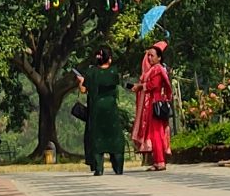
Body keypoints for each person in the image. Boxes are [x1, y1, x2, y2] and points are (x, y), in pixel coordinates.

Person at [73, 48, 126, 176]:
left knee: (97, 137)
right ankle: (118, 167)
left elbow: (84, 90)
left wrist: (80, 82)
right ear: (110, 58)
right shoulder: (114, 71)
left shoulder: (91, 72)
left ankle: (98, 168)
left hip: (96, 108)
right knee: (115, 137)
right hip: (111, 108)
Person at [133, 42, 175, 171]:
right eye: (148, 56)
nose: (149, 58)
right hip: (154, 103)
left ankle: (160, 161)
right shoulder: (155, 69)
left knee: (156, 133)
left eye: (152, 55)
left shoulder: (157, 69)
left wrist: (140, 86)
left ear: (159, 57)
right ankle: (157, 161)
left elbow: (154, 85)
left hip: (155, 103)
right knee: (155, 133)